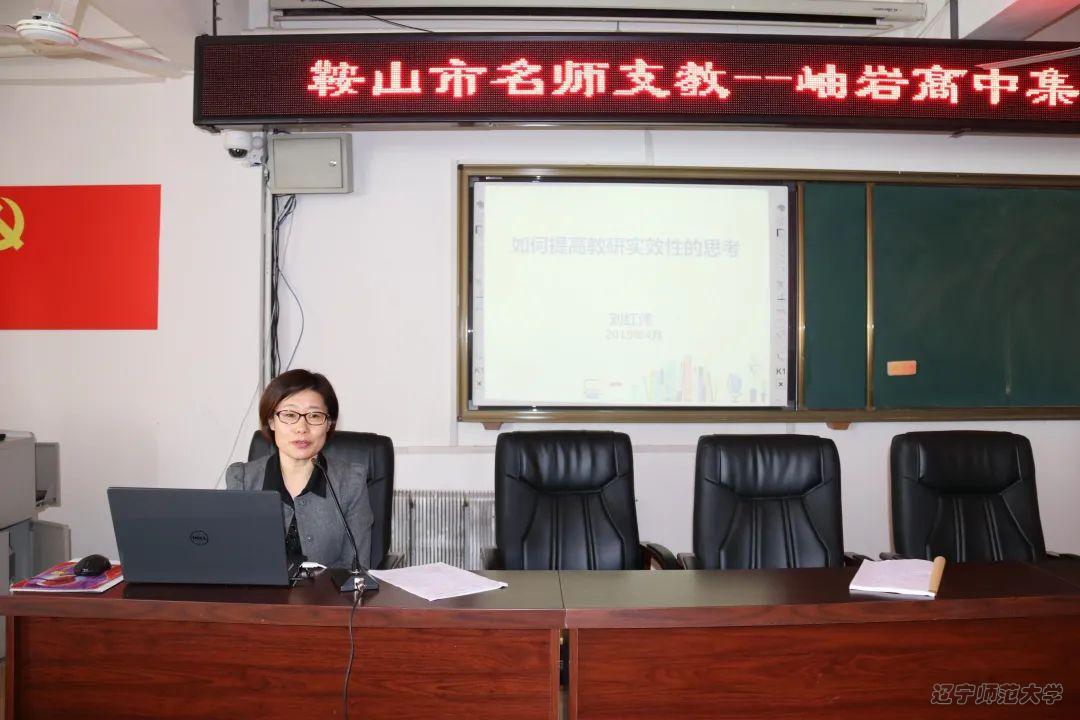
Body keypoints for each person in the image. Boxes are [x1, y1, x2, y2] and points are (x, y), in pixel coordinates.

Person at [226, 369, 373, 570]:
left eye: (314, 416)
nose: (302, 428)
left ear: (329, 424)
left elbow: (356, 568)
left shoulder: (350, 483)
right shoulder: (242, 480)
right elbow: (233, 561)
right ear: (271, 421)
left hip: (329, 591)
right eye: (289, 415)